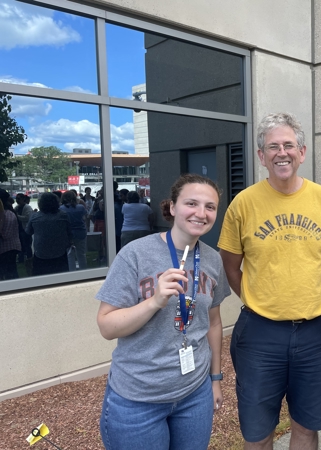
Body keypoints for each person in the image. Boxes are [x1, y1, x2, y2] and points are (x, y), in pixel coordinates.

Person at [218, 112, 321, 450]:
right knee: (257, 433)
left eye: (289, 145)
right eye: (272, 146)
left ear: (302, 152)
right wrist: (259, 297)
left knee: (306, 427)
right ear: (261, 156)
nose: (282, 152)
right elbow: (232, 265)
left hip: (314, 333)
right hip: (260, 334)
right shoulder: (243, 204)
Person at [96, 174, 230, 450]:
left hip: (195, 394)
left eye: (210, 206)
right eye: (191, 203)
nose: (201, 213)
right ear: (171, 208)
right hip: (138, 399)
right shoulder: (135, 254)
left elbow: (213, 324)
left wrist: (215, 380)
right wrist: (154, 301)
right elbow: (107, 327)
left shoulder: (213, 259)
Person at [26, 192, 72, 276]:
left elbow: (28, 232)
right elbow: (69, 232)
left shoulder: (35, 216)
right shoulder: (63, 215)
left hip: (41, 253)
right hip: (60, 252)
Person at [60, 190, 88, 271]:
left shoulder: (61, 209)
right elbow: (85, 217)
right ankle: (84, 272)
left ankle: (72, 272)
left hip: (68, 234)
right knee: (81, 254)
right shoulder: (81, 207)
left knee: (70, 255)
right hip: (81, 232)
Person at [0, 189, 21, 280]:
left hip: (7, 249)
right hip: (9, 248)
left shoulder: (7, 214)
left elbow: (6, 235)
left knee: (10, 273)